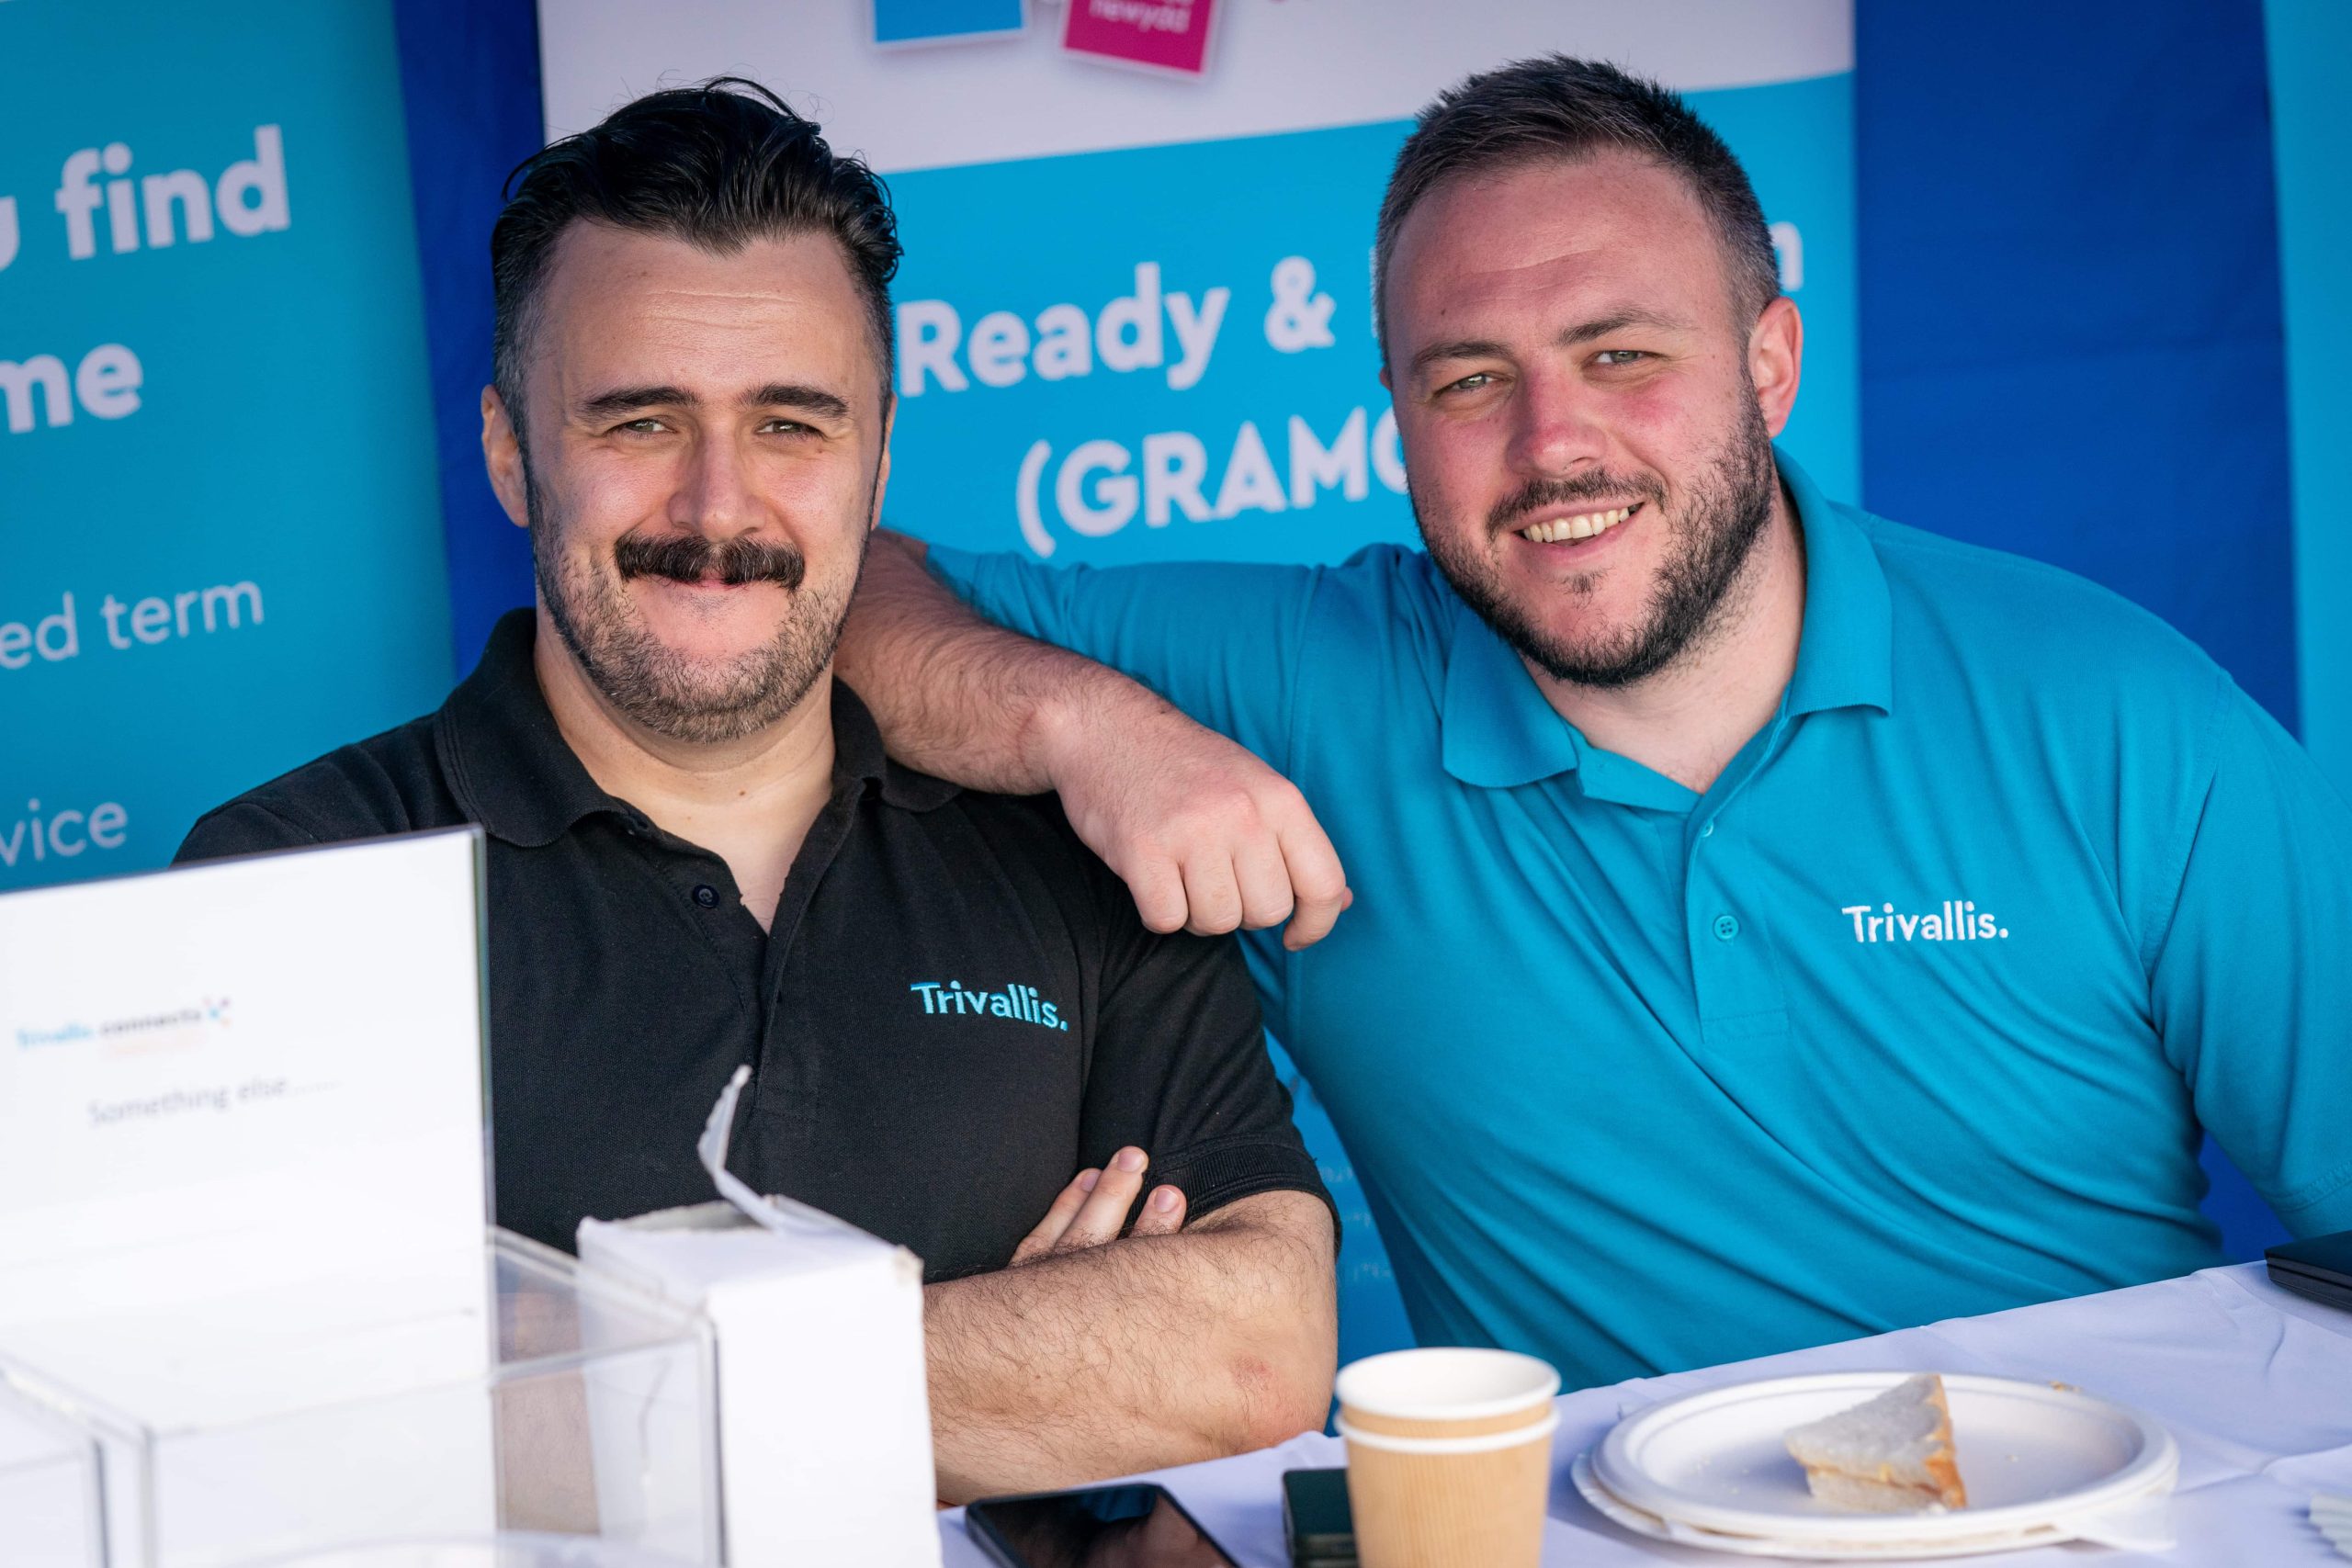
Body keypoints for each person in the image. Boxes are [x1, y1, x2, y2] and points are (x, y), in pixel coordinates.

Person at [838, 56, 2352, 1388]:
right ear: (1395, 415)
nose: (1552, 443)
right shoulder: (1311, 679)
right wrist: (1089, 729)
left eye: (1622, 355)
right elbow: (837, 588)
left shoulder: (2119, 714)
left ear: (1770, 365)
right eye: (1470, 379)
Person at [175, 80, 1336, 1502]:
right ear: (509, 455)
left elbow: (1252, 1356)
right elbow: (309, 1447)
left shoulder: (1072, 843)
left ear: (879, 457)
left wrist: (590, 1393)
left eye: (792, 424)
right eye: (641, 423)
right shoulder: (299, 877)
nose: (719, 510)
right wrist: (1029, 1368)